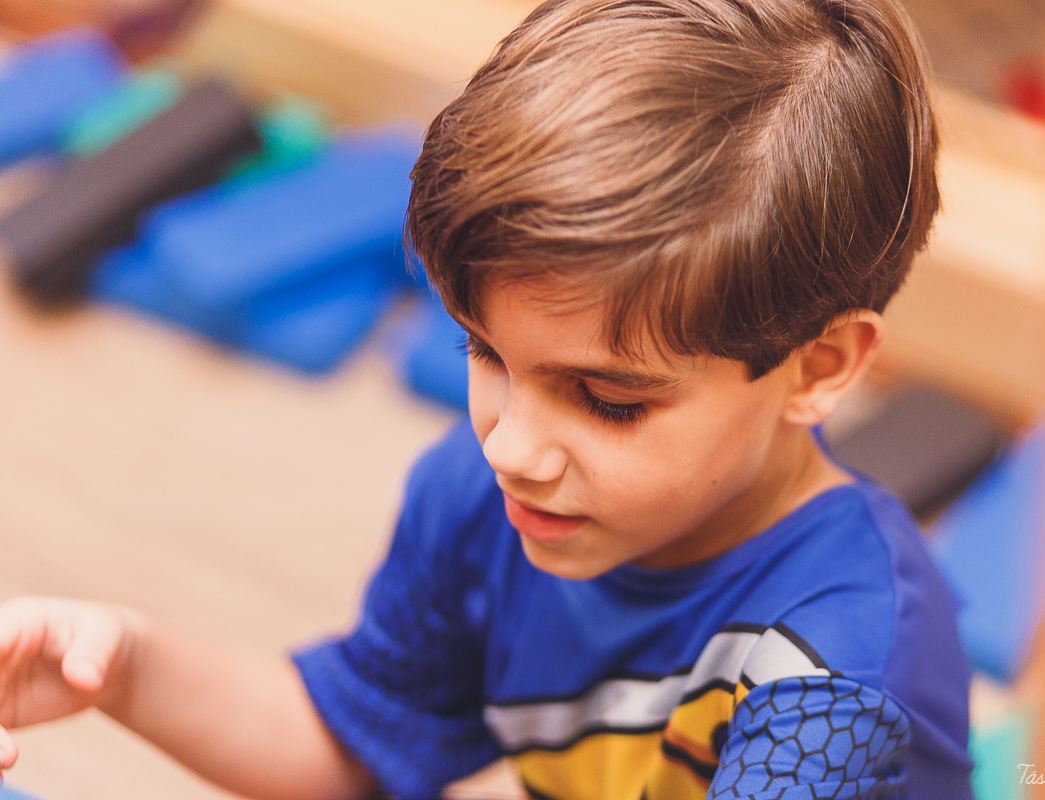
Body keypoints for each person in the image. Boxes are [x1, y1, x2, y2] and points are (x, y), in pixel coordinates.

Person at [0, 0, 974, 798]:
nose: (513, 442)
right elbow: (359, 743)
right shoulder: (491, 497)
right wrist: (123, 667)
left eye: (607, 400)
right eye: (487, 351)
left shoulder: (835, 685)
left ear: (819, 367)